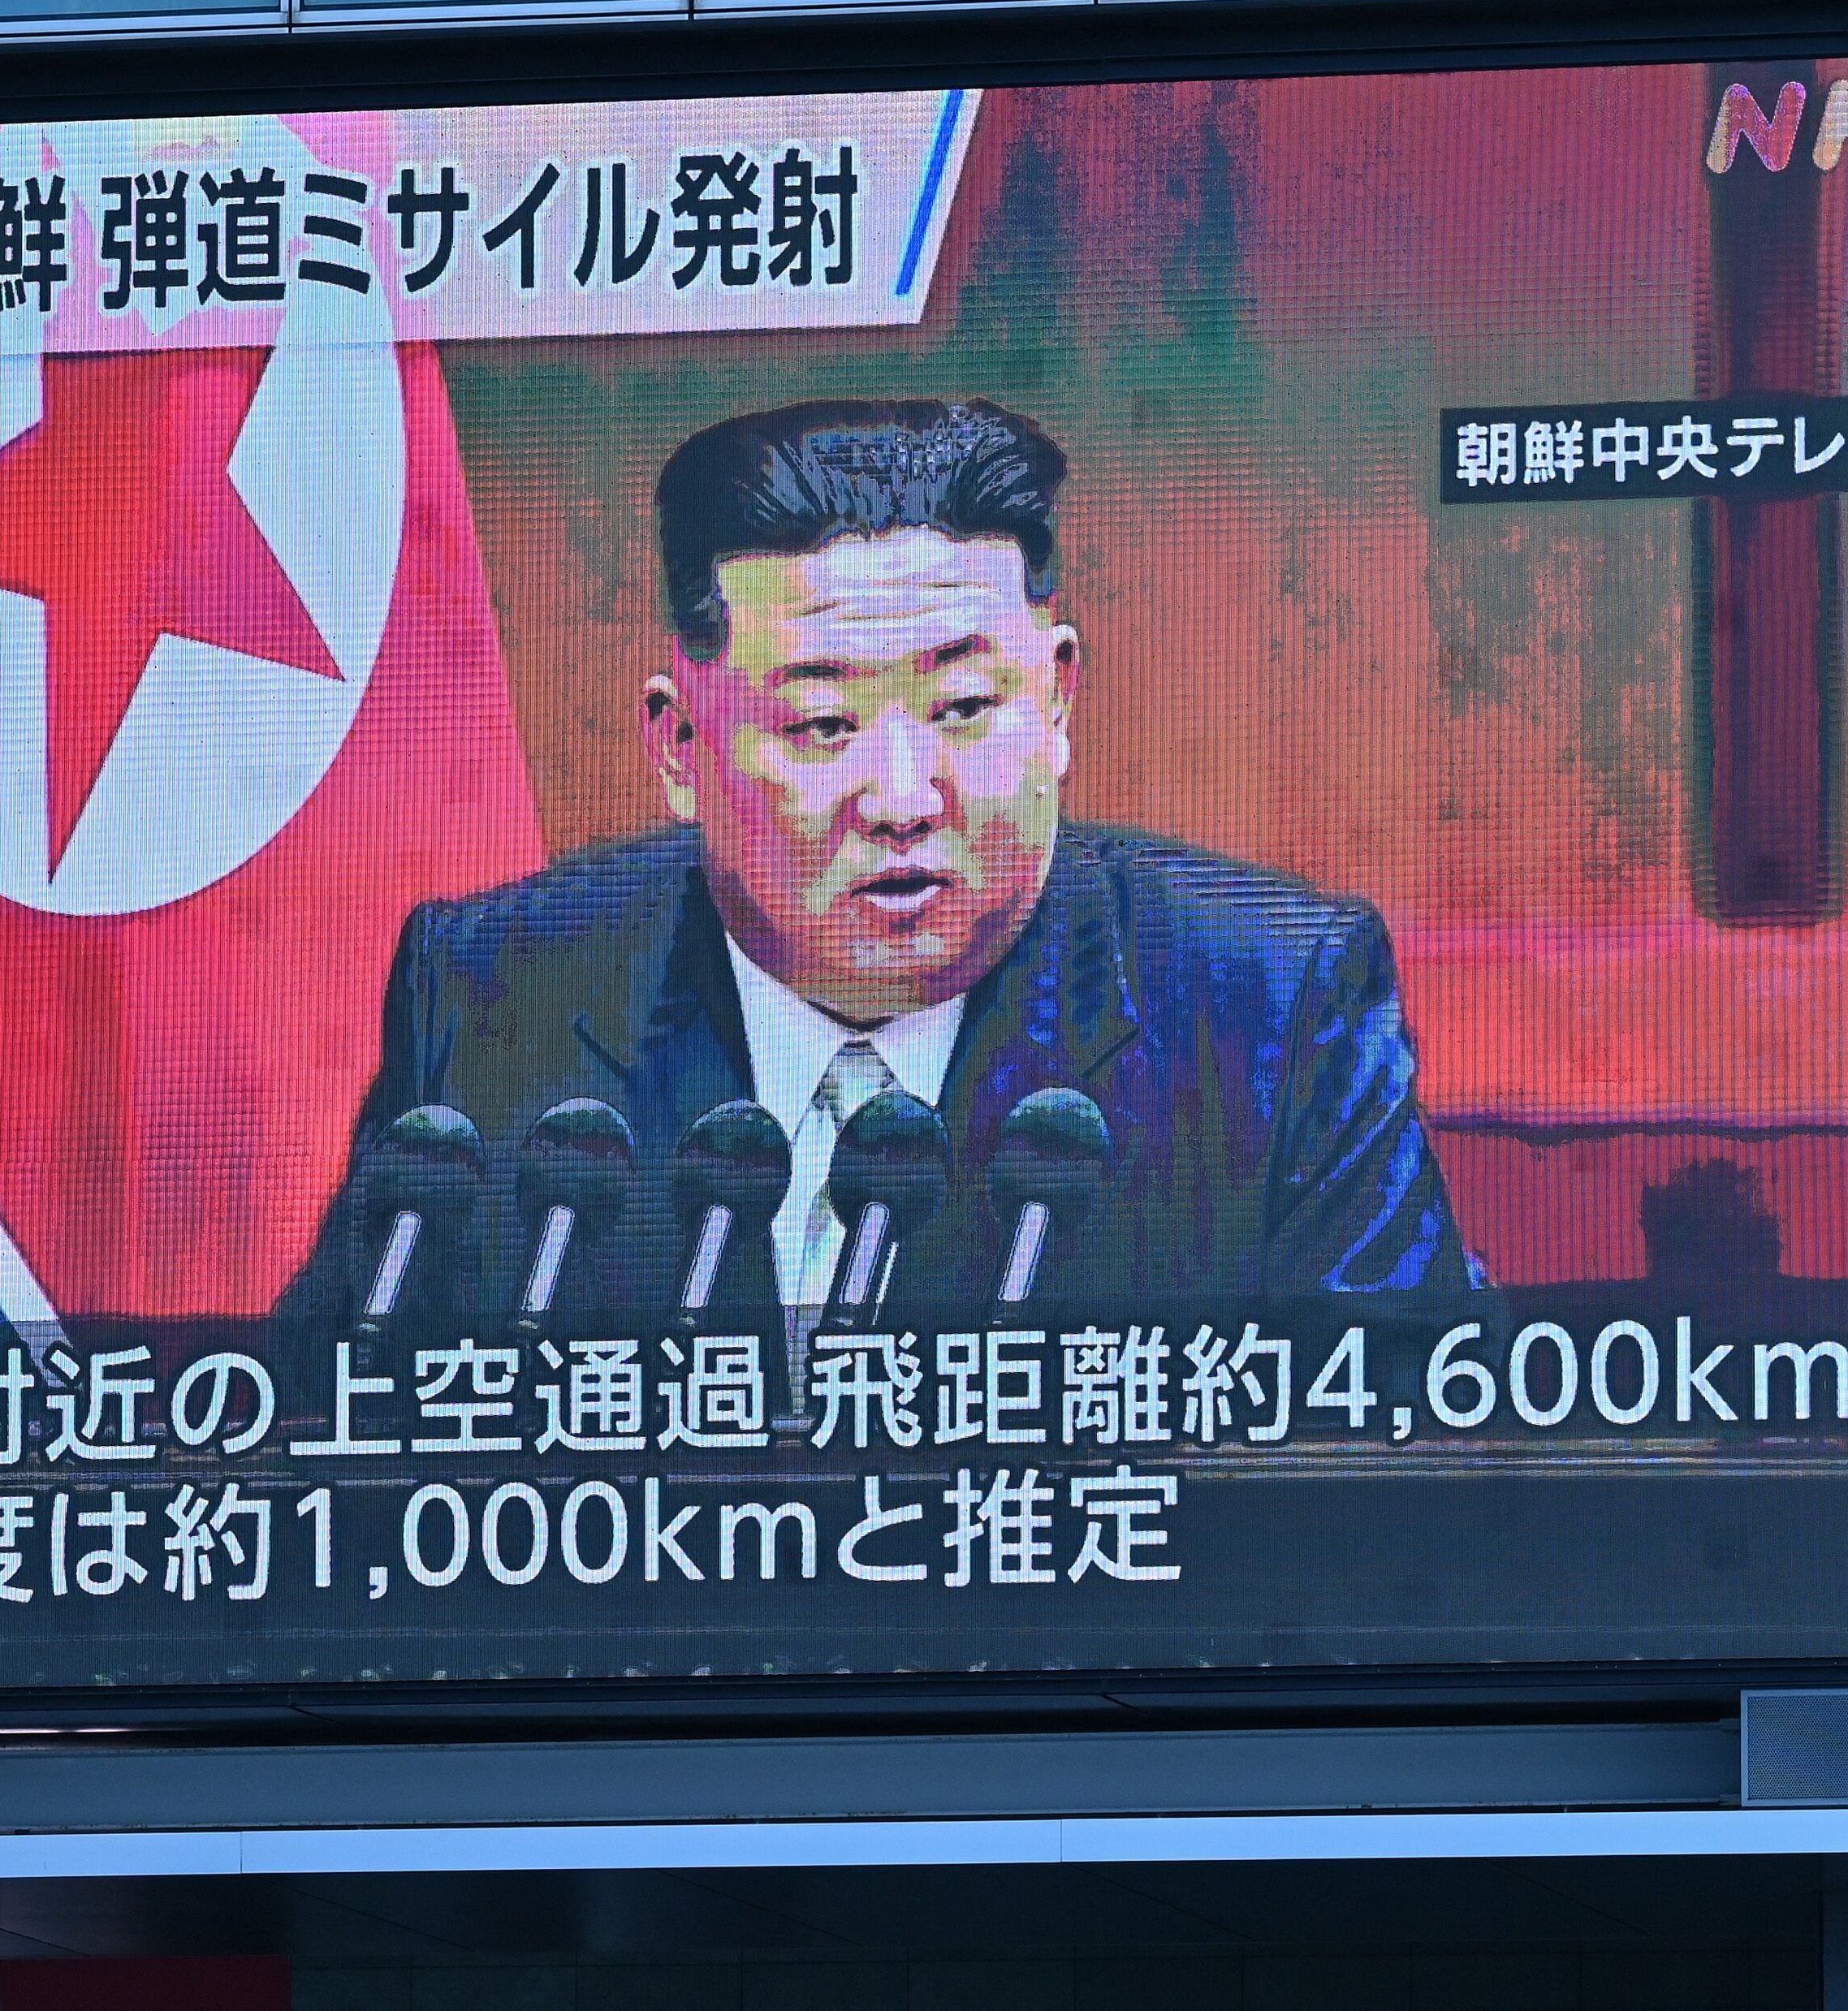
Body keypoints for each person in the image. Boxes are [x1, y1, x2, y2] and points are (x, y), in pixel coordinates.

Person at [292, 399, 1476, 1322]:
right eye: (823, 727)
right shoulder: (499, 992)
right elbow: (312, 1458)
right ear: (679, 742)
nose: (906, 801)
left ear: (1058, 698)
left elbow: (1422, 1503)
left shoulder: (1272, 1008)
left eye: (964, 706)